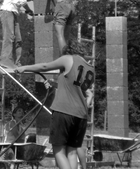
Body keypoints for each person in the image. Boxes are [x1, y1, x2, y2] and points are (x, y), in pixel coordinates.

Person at [15, 39, 95, 169]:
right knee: (72, 152)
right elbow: (76, 89)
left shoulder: (69, 58)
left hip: (64, 112)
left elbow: (45, 66)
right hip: (81, 115)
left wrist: (25, 68)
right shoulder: (90, 69)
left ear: (68, 50)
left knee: (58, 151)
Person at [0, 0, 40, 66]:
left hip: (13, 12)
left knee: (18, 39)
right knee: (9, 37)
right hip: (7, 12)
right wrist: (29, 10)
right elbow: (23, 1)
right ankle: (6, 61)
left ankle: (17, 62)